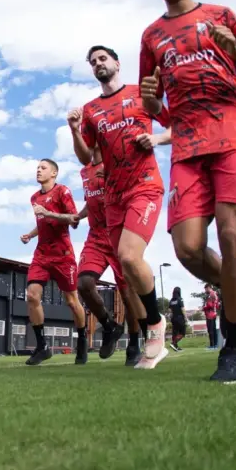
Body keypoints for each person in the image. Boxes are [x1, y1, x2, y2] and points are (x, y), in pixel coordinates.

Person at [139, 0, 236, 384]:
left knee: (231, 232)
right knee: (187, 248)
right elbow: (156, 110)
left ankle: (232, 352)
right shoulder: (151, 37)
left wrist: (234, 48)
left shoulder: (221, 15)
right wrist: (149, 102)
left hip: (231, 136)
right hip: (185, 146)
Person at [68, 44, 173, 371]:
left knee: (128, 255)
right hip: (113, 196)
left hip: (144, 185)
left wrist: (155, 140)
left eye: (103, 58)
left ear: (116, 62)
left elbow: (176, 126)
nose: (98, 63)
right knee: (127, 267)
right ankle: (144, 334)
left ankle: (155, 325)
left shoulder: (140, 94)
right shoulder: (90, 111)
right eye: (93, 61)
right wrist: (74, 130)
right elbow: (87, 158)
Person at [19, 159, 87, 365]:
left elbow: (73, 219)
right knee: (32, 295)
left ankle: (83, 342)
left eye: (43, 168)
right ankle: (42, 347)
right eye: (37, 168)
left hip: (63, 254)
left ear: (54, 173)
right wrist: (31, 235)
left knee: (71, 301)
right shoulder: (34, 197)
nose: (38, 170)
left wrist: (48, 213)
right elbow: (43, 223)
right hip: (41, 254)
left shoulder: (62, 192)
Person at [72, 149, 128, 360]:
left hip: (119, 232)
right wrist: (79, 215)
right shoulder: (85, 172)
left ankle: (135, 343)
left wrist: (113, 179)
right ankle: (108, 324)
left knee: (127, 292)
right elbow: (92, 201)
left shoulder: (117, 162)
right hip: (95, 236)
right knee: (84, 283)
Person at [168, 286, 186, 351]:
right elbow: (182, 309)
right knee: (182, 333)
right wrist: (186, 318)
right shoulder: (180, 299)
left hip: (173, 318)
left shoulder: (171, 300)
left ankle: (175, 347)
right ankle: (174, 343)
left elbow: (169, 310)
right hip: (180, 318)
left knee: (175, 333)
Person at [202, 284, 220, 349]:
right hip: (209, 314)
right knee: (211, 330)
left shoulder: (212, 294)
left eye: (206, 289)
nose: (205, 290)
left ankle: (213, 345)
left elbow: (214, 304)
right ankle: (213, 345)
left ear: (209, 288)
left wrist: (205, 307)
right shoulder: (210, 295)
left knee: (211, 330)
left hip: (211, 314)